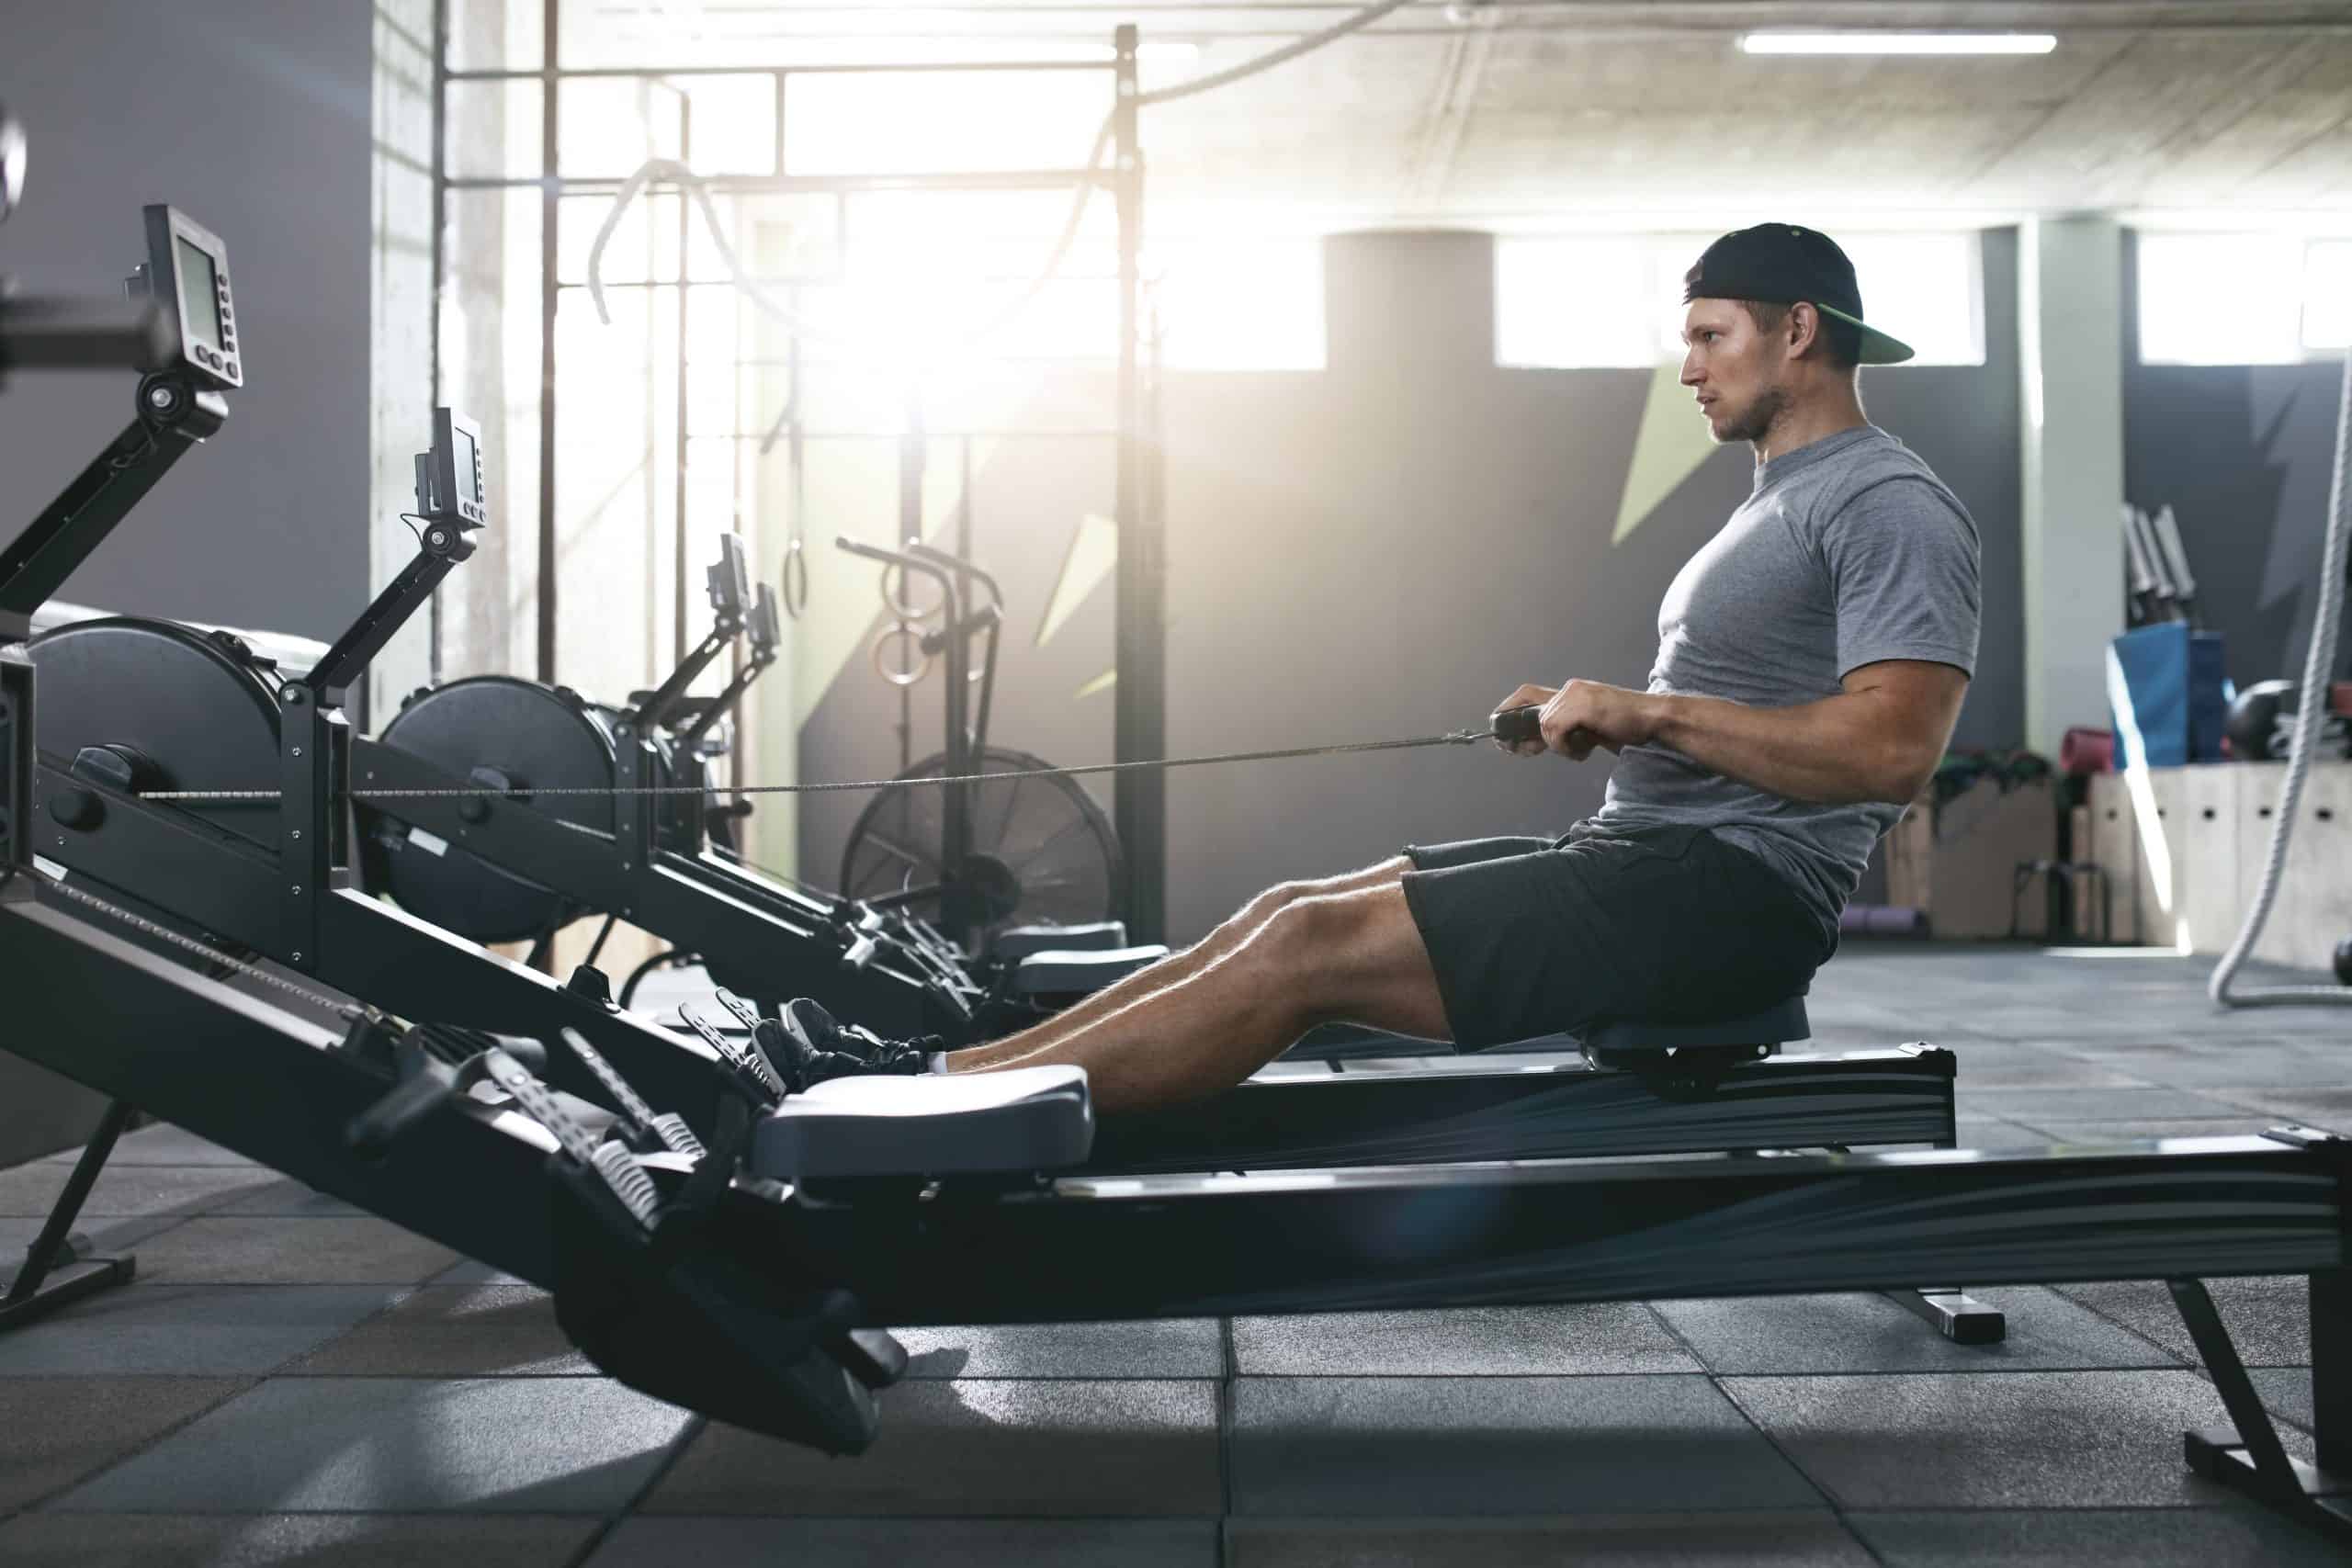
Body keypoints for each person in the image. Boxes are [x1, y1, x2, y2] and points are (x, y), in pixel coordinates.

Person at [778, 223, 1981, 1116]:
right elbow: (1743, 711)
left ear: (1800, 331)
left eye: (1712, 338)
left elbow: (1889, 750)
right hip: (1649, 859)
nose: (1689, 371)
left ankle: (934, 1098)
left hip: (1731, 897)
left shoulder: (1886, 502)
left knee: (1302, 959)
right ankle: (932, 1076)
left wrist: (1647, 712)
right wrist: (1603, 715)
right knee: (1284, 913)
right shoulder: (1780, 501)